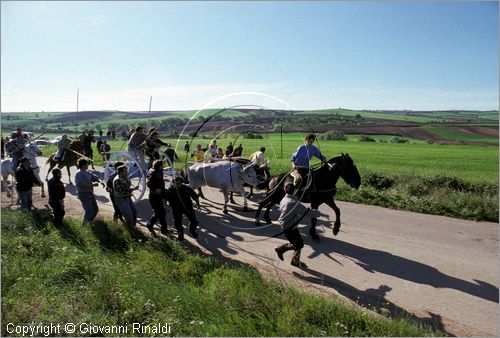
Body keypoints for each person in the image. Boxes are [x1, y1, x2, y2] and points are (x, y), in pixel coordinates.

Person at [274, 183, 328, 268]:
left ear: (285, 190)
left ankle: (295, 260)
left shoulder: (284, 199)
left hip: (289, 226)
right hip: (289, 227)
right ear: (295, 190)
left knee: (298, 243)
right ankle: (281, 250)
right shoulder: (293, 203)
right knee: (299, 244)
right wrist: (322, 214)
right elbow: (309, 212)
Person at [165, 176, 200, 241]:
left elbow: (195, 197)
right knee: (177, 223)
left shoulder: (186, 188)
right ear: (173, 183)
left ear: (181, 183)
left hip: (187, 207)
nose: (177, 185)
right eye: (175, 184)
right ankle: (181, 235)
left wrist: (198, 206)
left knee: (194, 221)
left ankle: (191, 229)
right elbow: (165, 198)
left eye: (179, 183)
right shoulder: (170, 190)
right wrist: (165, 206)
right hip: (176, 209)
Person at [75, 158, 100, 225]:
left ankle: (89, 222)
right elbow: (81, 184)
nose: (88, 165)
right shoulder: (79, 173)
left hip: (90, 193)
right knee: (89, 211)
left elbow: (94, 177)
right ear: (84, 165)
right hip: (83, 194)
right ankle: (84, 225)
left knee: (95, 209)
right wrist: (92, 184)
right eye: (87, 163)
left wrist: (99, 180)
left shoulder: (87, 171)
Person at [146, 160, 169, 235]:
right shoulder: (153, 172)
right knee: (159, 213)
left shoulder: (160, 171)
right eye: (162, 165)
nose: (163, 166)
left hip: (159, 195)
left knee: (161, 212)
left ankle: (164, 229)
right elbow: (149, 183)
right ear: (159, 166)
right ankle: (150, 225)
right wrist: (155, 189)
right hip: (154, 196)